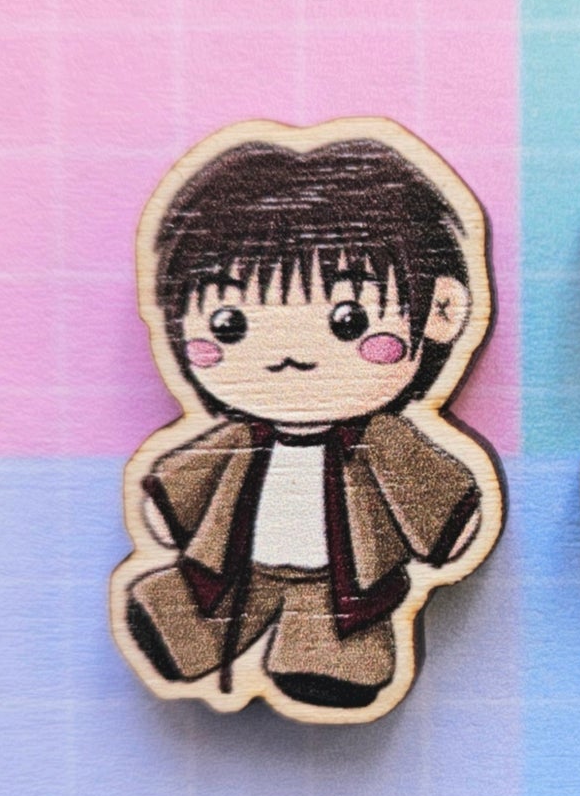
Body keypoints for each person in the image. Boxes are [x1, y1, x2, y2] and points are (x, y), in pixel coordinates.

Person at [116, 129, 495, 714]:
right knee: (202, 605)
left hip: (339, 587)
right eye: (230, 325)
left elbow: (429, 491)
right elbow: (189, 480)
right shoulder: (236, 440)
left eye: (347, 321)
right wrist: (168, 509)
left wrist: (449, 525)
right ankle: (178, 635)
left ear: (440, 311)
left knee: (337, 639)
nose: (288, 356)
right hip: (237, 569)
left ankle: (324, 666)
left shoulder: (381, 442)